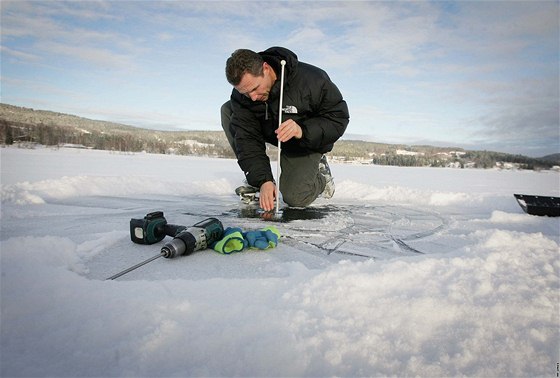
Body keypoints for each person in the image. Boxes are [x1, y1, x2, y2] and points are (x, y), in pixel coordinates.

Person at [221, 47, 349, 211]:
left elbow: (338, 117)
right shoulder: (243, 95)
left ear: (266, 69)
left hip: (303, 141)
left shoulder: (313, 80)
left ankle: (322, 177)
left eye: (254, 88)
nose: (252, 97)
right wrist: (263, 180)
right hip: (272, 131)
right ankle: (255, 181)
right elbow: (247, 139)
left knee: (296, 197)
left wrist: (302, 130)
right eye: (245, 92)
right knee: (229, 110)